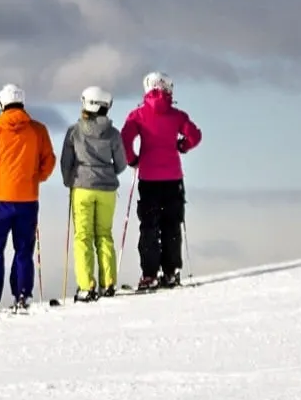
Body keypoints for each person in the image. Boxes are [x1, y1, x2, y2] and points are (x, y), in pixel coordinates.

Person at [0, 83, 56, 313]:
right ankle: (23, 295)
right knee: (24, 249)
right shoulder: (38, 130)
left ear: (1, 104)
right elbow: (49, 161)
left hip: (1, 200)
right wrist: (36, 178)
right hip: (28, 199)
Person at [122, 71, 201, 289]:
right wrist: (181, 146)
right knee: (172, 225)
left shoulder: (137, 115)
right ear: (168, 89)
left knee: (149, 226)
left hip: (148, 178)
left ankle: (149, 275)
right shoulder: (177, 116)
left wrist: (133, 160)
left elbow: (125, 138)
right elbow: (195, 136)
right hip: (173, 178)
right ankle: (171, 272)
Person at [58, 85, 123, 301]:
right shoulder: (113, 134)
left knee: (83, 237)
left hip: (82, 188)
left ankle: (86, 287)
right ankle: (109, 283)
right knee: (104, 234)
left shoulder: (74, 132)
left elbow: (66, 162)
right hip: (107, 189)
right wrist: (108, 173)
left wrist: (70, 181)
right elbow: (121, 163)